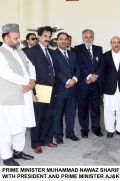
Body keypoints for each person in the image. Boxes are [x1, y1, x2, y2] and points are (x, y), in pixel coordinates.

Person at [0, 23, 36, 166]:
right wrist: (28, 82)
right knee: (6, 129)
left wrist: (32, 80)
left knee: (21, 126)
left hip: (25, 95)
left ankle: (18, 151)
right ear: (5, 37)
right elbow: (6, 73)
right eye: (15, 38)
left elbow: (31, 66)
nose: (18, 40)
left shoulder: (21, 52)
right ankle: (6, 156)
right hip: (9, 98)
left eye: (19, 37)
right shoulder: (0, 53)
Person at [26, 26, 58, 154]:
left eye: (49, 36)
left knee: (49, 116)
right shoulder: (31, 52)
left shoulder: (50, 51)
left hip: (51, 88)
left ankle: (46, 140)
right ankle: (36, 143)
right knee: (38, 117)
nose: (47, 39)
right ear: (38, 36)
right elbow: (28, 74)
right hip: (39, 88)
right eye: (45, 36)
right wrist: (33, 92)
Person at [74, 29, 103, 138]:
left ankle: (96, 128)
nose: (88, 39)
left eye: (90, 37)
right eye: (86, 37)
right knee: (83, 108)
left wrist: (96, 76)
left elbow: (101, 64)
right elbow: (78, 65)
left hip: (96, 84)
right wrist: (89, 76)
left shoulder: (98, 49)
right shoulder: (77, 49)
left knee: (96, 108)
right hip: (83, 84)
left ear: (93, 38)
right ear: (82, 38)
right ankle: (84, 129)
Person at [52, 32, 80, 144]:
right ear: (57, 41)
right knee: (58, 114)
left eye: (66, 39)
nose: (64, 41)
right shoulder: (53, 54)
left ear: (68, 41)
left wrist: (74, 80)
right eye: (61, 39)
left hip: (73, 89)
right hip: (60, 89)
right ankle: (58, 135)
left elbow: (78, 69)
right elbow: (55, 71)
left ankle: (70, 133)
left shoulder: (73, 54)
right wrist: (68, 81)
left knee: (71, 113)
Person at [102, 36, 120, 138]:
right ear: (111, 44)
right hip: (109, 87)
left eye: (118, 42)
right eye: (114, 42)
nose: (116, 44)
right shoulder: (105, 56)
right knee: (109, 110)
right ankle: (110, 130)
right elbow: (102, 71)